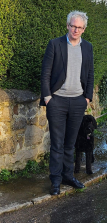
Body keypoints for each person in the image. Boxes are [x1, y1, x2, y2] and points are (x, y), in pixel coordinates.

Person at [40, 10, 94, 195]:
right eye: (73, 26)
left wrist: (87, 98)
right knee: (57, 144)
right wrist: (48, 98)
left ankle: (68, 176)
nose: (75, 30)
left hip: (78, 102)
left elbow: (90, 73)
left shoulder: (87, 47)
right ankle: (55, 180)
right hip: (57, 102)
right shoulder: (55, 44)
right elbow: (45, 72)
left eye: (79, 27)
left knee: (70, 144)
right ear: (67, 26)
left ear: (84, 29)